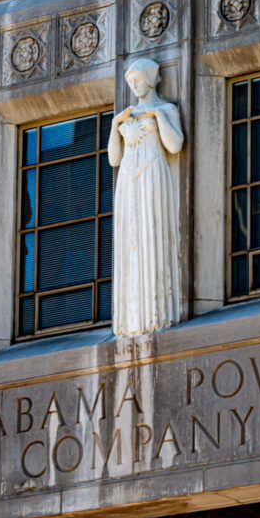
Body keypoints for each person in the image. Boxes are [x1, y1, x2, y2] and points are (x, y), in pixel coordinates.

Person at [108, 58, 185, 337]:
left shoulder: (166, 109)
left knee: (151, 233)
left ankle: (155, 312)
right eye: (130, 81)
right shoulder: (126, 115)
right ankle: (131, 316)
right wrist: (116, 124)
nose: (134, 85)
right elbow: (114, 158)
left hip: (152, 172)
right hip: (129, 178)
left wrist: (157, 117)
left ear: (151, 79)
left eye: (138, 79)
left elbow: (175, 145)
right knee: (131, 240)